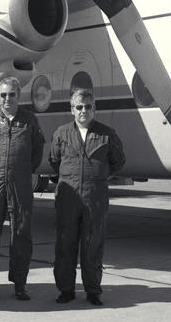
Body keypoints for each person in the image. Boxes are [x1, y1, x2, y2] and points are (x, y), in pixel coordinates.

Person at [49, 89, 126, 306]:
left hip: (95, 198)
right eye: (79, 107)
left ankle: (93, 291)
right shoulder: (61, 133)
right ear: (72, 109)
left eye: (88, 107)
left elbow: (118, 162)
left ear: (95, 109)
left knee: (93, 245)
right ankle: (66, 290)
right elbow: (54, 160)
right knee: (65, 245)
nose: (84, 111)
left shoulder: (107, 134)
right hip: (68, 198)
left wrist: (97, 178)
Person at [0, 75, 44, 301]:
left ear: (19, 95)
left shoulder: (29, 120)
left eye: (12, 94)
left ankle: (20, 283)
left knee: (21, 232)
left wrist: (22, 171)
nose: (7, 99)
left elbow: (37, 153)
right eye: (3, 94)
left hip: (20, 182)